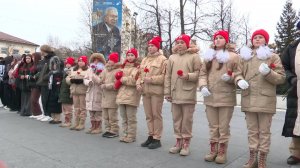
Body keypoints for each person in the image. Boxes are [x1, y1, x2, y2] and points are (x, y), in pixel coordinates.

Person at [235, 29, 285, 168]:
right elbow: (237, 73)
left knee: (264, 131)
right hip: (249, 98)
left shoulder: (273, 57)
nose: (257, 39)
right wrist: (239, 80)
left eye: (260, 37)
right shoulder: (244, 57)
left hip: (266, 100)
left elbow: (281, 78)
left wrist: (269, 73)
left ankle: (262, 158)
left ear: (266, 41)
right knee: (252, 130)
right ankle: (252, 157)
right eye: (255, 37)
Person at [199, 30, 239, 163]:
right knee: (213, 126)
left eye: (221, 38)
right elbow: (202, 73)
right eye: (216, 38)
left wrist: (231, 77)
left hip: (226, 97)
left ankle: (222, 152)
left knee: (223, 126)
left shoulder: (233, 56)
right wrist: (203, 86)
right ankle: (213, 150)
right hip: (210, 96)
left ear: (226, 40)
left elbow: (239, 74)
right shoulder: (208, 56)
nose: (217, 40)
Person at [165, 34, 202, 156]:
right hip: (175, 93)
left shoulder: (194, 56)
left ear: (187, 43)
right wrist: (167, 92)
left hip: (188, 93)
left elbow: (199, 73)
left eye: (182, 42)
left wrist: (188, 76)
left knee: (187, 120)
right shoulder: (172, 57)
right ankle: (178, 142)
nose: (179, 44)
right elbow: (168, 76)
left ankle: (186, 143)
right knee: (176, 120)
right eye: (178, 42)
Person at [136, 36, 167, 149]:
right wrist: (138, 84)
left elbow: (165, 76)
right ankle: (150, 135)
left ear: (157, 47)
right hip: (146, 92)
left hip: (156, 92)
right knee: (148, 116)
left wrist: (152, 79)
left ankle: (157, 138)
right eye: (149, 46)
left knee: (156, 115)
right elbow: (139, 74)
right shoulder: (145, 59)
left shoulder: (163, 59)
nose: (150, 48)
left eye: (152, 46)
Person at [281, 20, 300, 165]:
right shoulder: (292, 47)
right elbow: (284, 66)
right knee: (296, 122)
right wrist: (292, 79)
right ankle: (296, 153)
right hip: (297, 89)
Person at [116, 48, 141, 143]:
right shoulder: (123, 67)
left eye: (132, 55)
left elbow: (134, 80)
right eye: (128, 55)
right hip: (121, 95)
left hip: (132, 95)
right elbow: (117, 78)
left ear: (135, 56)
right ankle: (125, 134)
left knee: (131, 118)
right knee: (123, 117)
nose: (130, 57)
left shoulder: (137, 67)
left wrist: (122, 79)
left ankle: (131, 135)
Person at [100, 52, 121, 138]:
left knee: (112, 115)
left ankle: (114, 130)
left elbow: (116, 84)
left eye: (112, 60)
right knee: (105, 115)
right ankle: (108, 129)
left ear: (115, 61)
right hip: (104, 95)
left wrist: (106, 85)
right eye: (109, 59)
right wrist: (97, 78)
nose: (109, 61)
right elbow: (101, 79)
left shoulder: (118, 71)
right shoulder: (105, 70)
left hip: (112, 95)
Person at [84, 53, 106, 134]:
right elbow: (85, 79)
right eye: (94, 60)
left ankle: (98, 127)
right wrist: (88, 82)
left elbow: (101, 81)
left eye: (98, 60)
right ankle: (92, 126)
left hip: (98, 92)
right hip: (90, 92)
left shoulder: (103, 69)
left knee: (98, 112)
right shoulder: (89, 69)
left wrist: (94, 76)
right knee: (91, 111)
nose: (96, 61)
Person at [66, 56, 89, 131]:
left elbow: (88, 79)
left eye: (82, 61)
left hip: (82, 91)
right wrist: (71, 80)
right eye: (79, 61)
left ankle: (81, 124)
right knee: (76, 108)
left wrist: (81, 80)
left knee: (82, 108)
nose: (80, 62)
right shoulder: (73, 69)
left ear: (85, 62)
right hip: (74, 91)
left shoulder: (88, 70)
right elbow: (68, 78)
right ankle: (76, 123)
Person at [36, 45, 56, 122]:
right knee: (43, 99)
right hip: (42, 82)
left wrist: (45, 77)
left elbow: (53, 70)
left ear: (45, 51)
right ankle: (45, 113)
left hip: (48, 82)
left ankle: (49, 114)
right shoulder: (44, 59)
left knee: (47, 99)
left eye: (41, 50)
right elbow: (41, 70)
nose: (40, 52)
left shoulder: (53, 59)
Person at [59, 57, 75, 127]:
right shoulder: (65, 72)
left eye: (68, 63)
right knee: (64, 108)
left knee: (68, 108)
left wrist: (71, 92)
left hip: (68, 92)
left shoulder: (72, 72)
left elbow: (71, 83)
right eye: (66, 63)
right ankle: (66, 120)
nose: (67, 65)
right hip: (63, 91)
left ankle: (69, 121)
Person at [47, 56, 63, 124]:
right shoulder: (51, 73)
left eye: (55, 64)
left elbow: (59, 82)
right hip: (51, 90)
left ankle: (57, 118)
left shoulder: (60, 73)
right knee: (51, 104)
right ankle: (53, 118)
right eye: (53, 64)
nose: (54, 66)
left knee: (57, 105)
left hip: (57, 90)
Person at [27, 52, 42, 118]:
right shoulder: (33, 65)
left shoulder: (39, 65)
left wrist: (30, 77)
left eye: (33, 57)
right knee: (32, 100)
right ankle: (35, 113)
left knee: (34, 99)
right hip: (32, 84)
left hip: (36, 84)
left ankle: (39, 113)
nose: (32, 58)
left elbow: (38, 75)